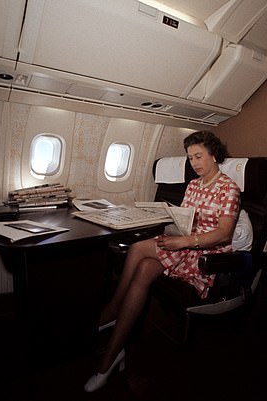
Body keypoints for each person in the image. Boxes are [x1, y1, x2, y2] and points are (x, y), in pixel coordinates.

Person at [84, 131, 241, 392]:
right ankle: (113, 355)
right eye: (190, 158)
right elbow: (186, 221)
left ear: (214, 154)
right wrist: (168, 220)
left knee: (137, 250)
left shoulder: (229, 189)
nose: (194, 163)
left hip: (206, 256)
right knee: (143, 264)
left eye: (199, 156)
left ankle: (111, 313)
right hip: (184, 246)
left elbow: (223, 233)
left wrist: (184, 242)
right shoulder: (193, 186)